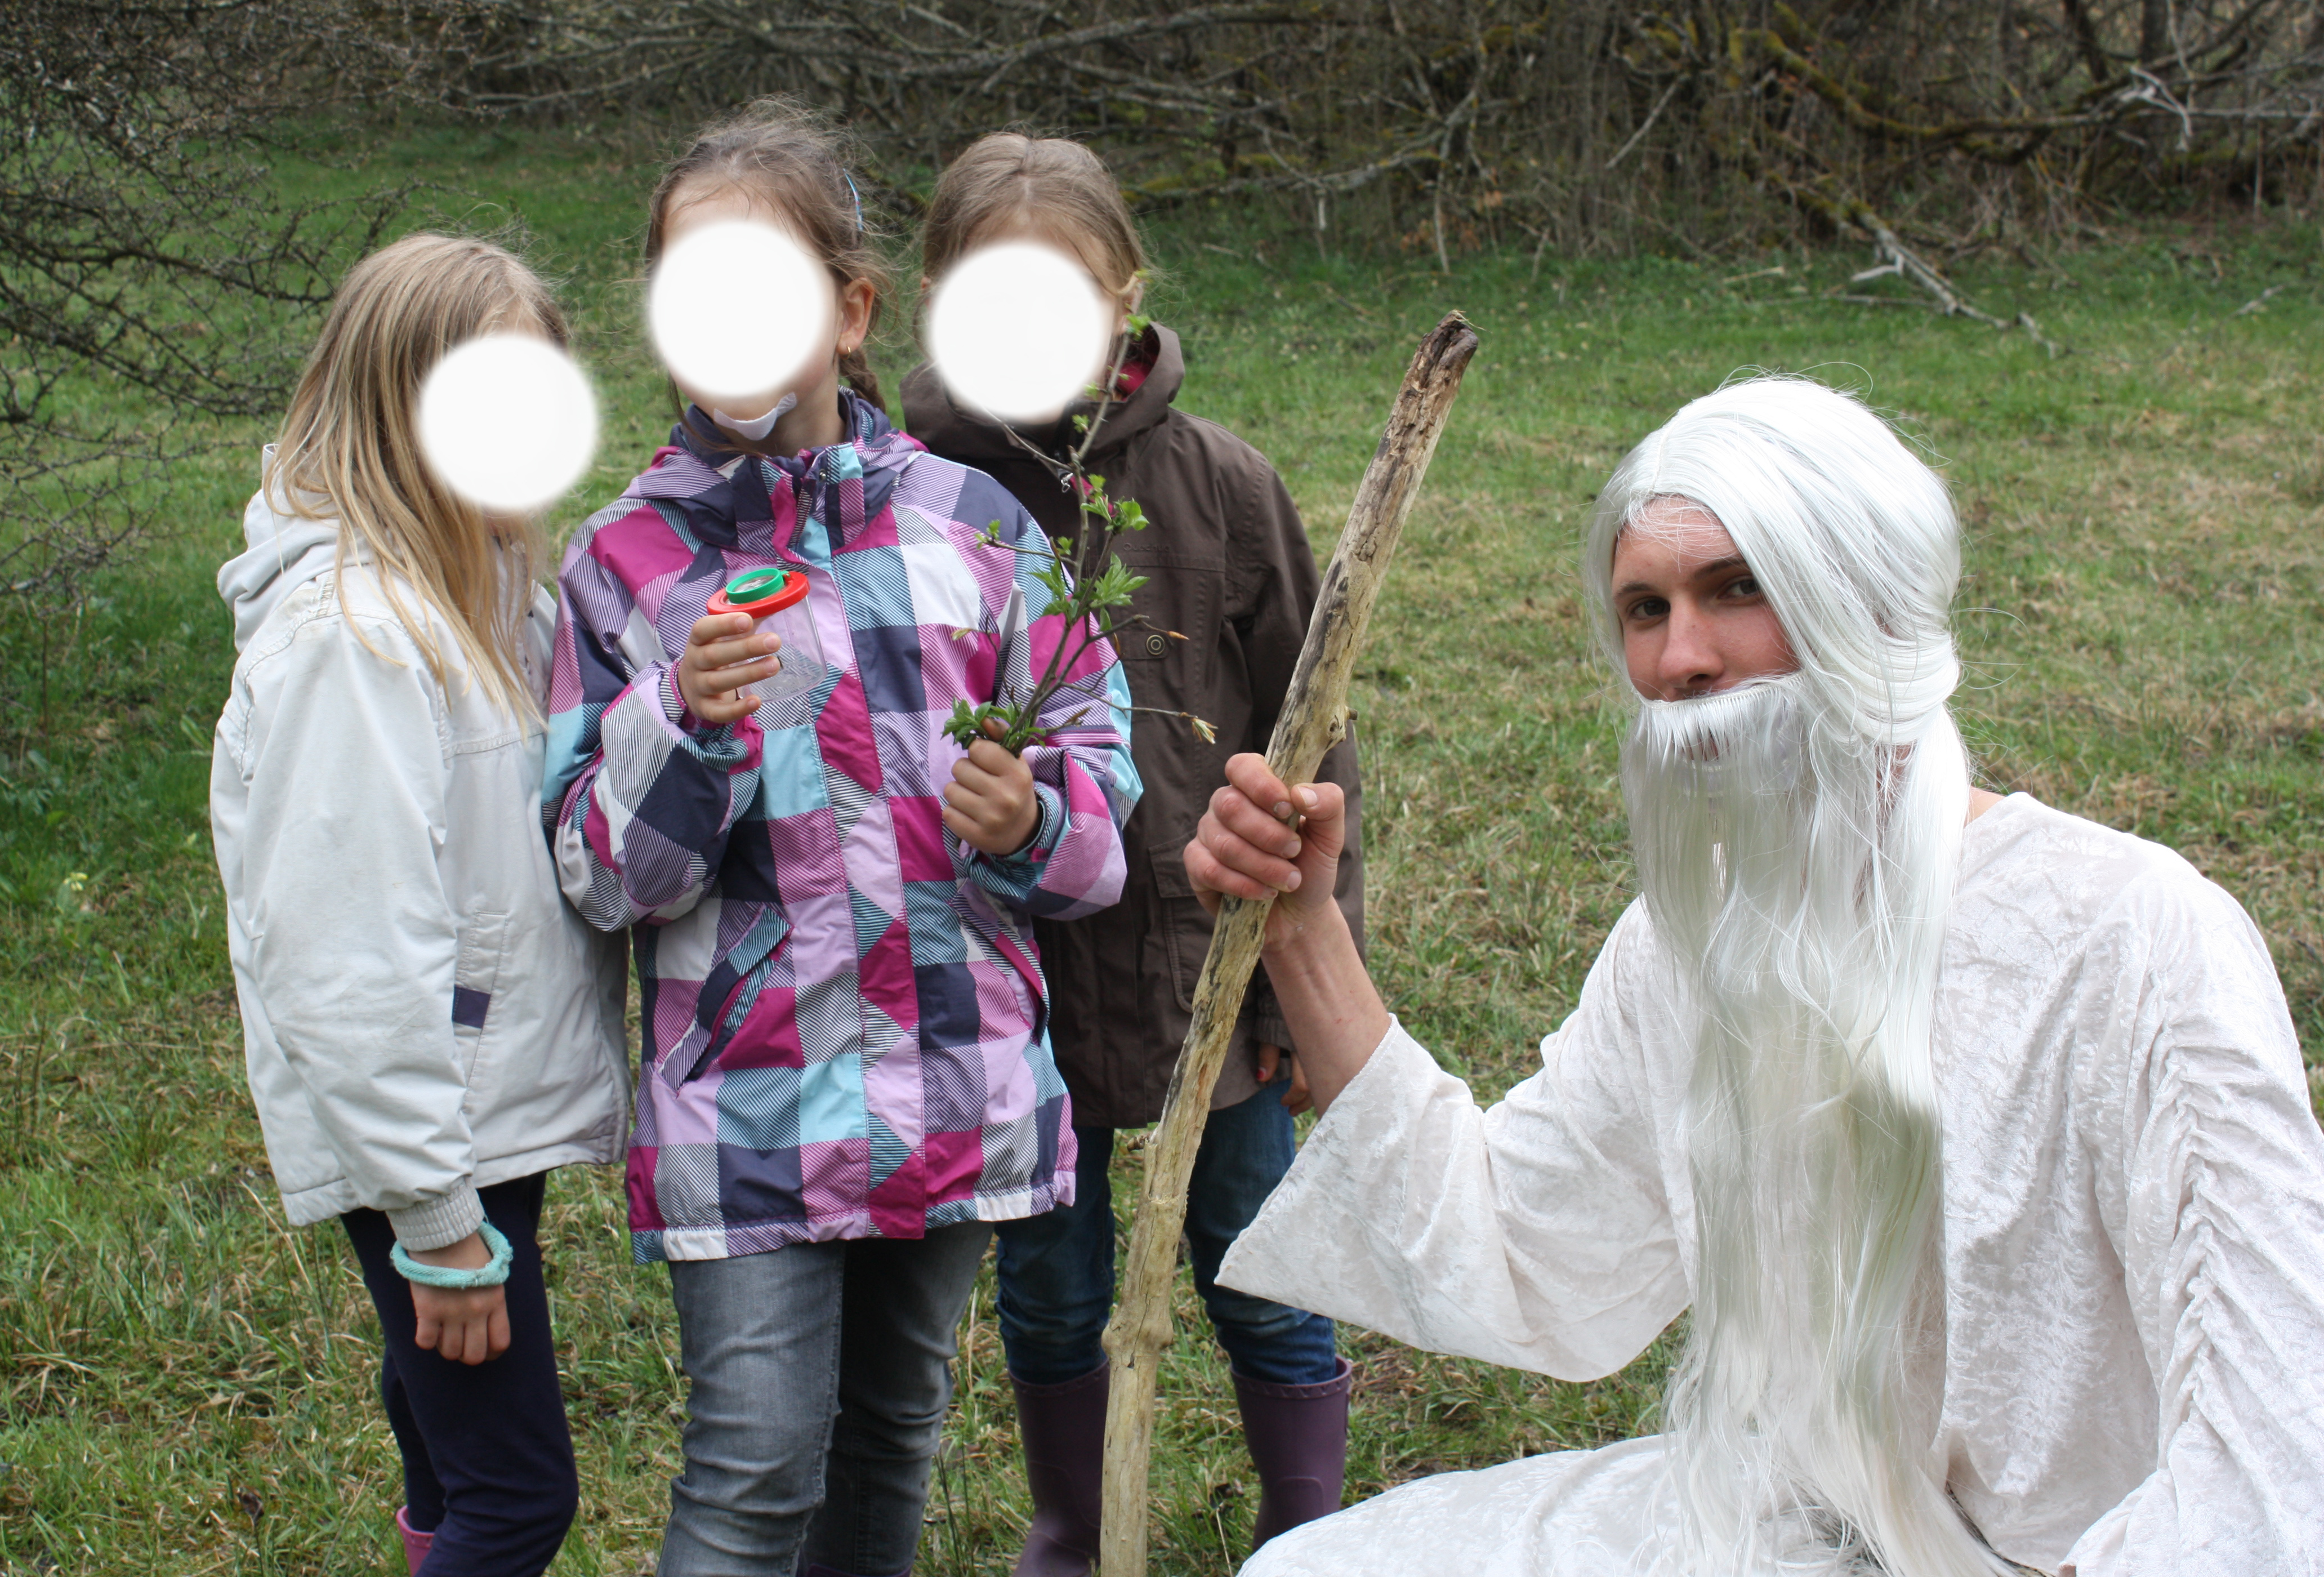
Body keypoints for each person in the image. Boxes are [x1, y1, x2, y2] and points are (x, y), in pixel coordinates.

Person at [1185, 376, 2324, 1576]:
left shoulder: (2133, 935)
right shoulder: (1695, 932)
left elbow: (2277, 1434)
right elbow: (1522, 1239)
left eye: (1737, 588)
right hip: (1782, 1529)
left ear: (1868, 598)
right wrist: (1304, 928)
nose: (1680, 657)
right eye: (1643, 607)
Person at [541, 102, 1138, 1577]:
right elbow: (598, 870)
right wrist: (681, 730)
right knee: (753, 1469)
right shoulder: (628, 568)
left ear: (853, 307)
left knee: (891, 1445)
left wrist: (1034, 817)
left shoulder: (978, 528)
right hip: (745, 1106)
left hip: (950, 1073)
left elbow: (1098, 776)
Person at [899, 131, 1366, 1574]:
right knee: (1049, 1278)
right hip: (1006, 974)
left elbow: (1317, 741)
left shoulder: (1222, 486)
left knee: (1262, 1253)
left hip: (1199, 959)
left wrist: (1298, 976)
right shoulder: (913, 496)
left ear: (1126, 297)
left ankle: (1309, 1523)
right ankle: (1074, 1524)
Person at [211, 233, 631, 1576]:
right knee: (519, 1494)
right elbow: (342, 950)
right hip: (432, 1131)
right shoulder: (354, 637)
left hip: (471, 1106)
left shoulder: (475, 584)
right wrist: (437, 1214)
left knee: (449, 1453)